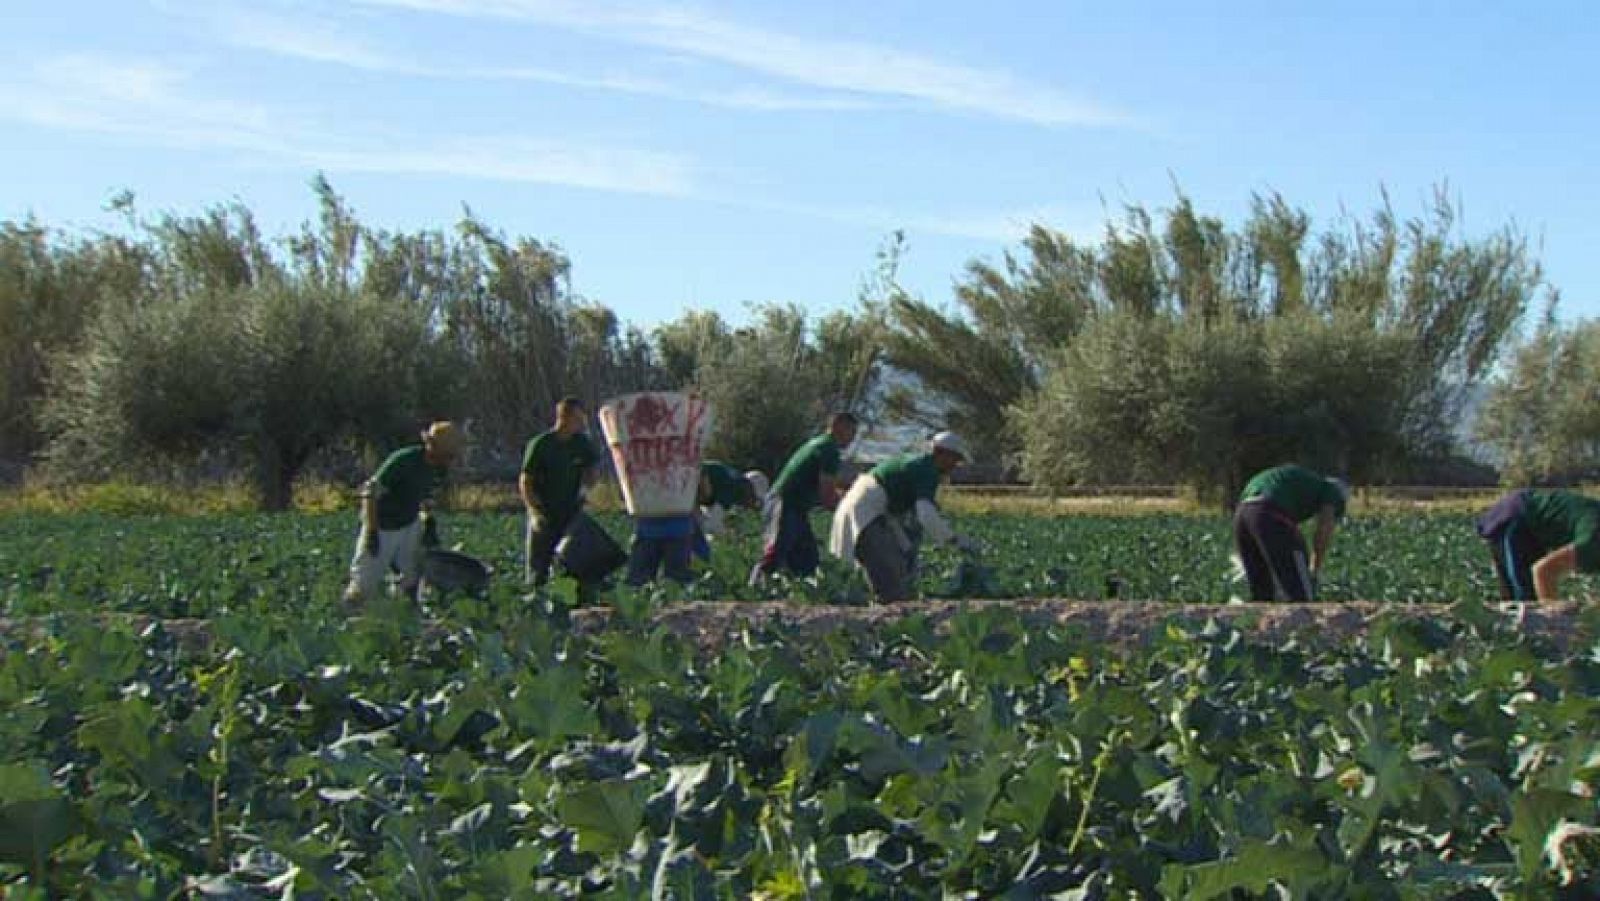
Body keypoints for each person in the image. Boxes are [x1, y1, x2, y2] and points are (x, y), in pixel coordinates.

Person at [829, 431, 978, 602]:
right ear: (941, 453)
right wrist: (952, 539)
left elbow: (912, 514)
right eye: (955, 458)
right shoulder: (927, 469)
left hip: (863, 507)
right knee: (892, 573)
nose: (955, 465)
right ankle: (890, 615)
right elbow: (926, 513)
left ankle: (885, 608)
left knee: (893, 566)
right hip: (866, 512)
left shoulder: (917, 463)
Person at [343, 420, 465, 604]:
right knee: (364, 582)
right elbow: (370, 494)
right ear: (433, 446)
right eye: (447, 454)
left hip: (409, 524)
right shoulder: (403, 461)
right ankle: (349, 614)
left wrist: (428, 523)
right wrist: (371, 531)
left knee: (412, 578)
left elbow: (426, 498)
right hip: (382, 525)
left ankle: (403, 619)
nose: (450, 459)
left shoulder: (439, 468)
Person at [749, 413, 857, 585]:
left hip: (795, 507)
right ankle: (754, 586)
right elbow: (827, 494)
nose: (852, 439)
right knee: (777, 550)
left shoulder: (818, 443)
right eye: (851, 432)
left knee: (807, 559)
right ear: (837, 426)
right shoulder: (828, 449)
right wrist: (848, 510)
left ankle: (796, 595)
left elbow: (828, 486)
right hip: (785, 503)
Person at [1233, 464, 1349, 602]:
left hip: (1242, 515)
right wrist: (1314, 569)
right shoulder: (1331, 491)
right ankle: (1304, 622)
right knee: (1301, 595)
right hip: (1270, 513)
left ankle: (1261, 621)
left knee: (1263, 593)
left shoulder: (1304, 483)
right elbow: (1323, 530)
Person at [521, 397, 601, 591]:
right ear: (564, 417)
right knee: (539, 565)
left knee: (572, 562)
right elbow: (526, 481)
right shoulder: (541, 444)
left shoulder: (581, 443)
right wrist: (534, 511)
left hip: (570, 513)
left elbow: (592, 470)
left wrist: (586, 490)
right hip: (545, 513)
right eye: (578, 418)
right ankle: (536, 599)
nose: (582, 423)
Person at [1476, 488, 1600, 600]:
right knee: (1526, 603)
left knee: (1518, 602)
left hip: (1532, 522)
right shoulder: (1593, 542)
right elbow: (1542, 571)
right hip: (1517, 515)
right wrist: (1552, 612)